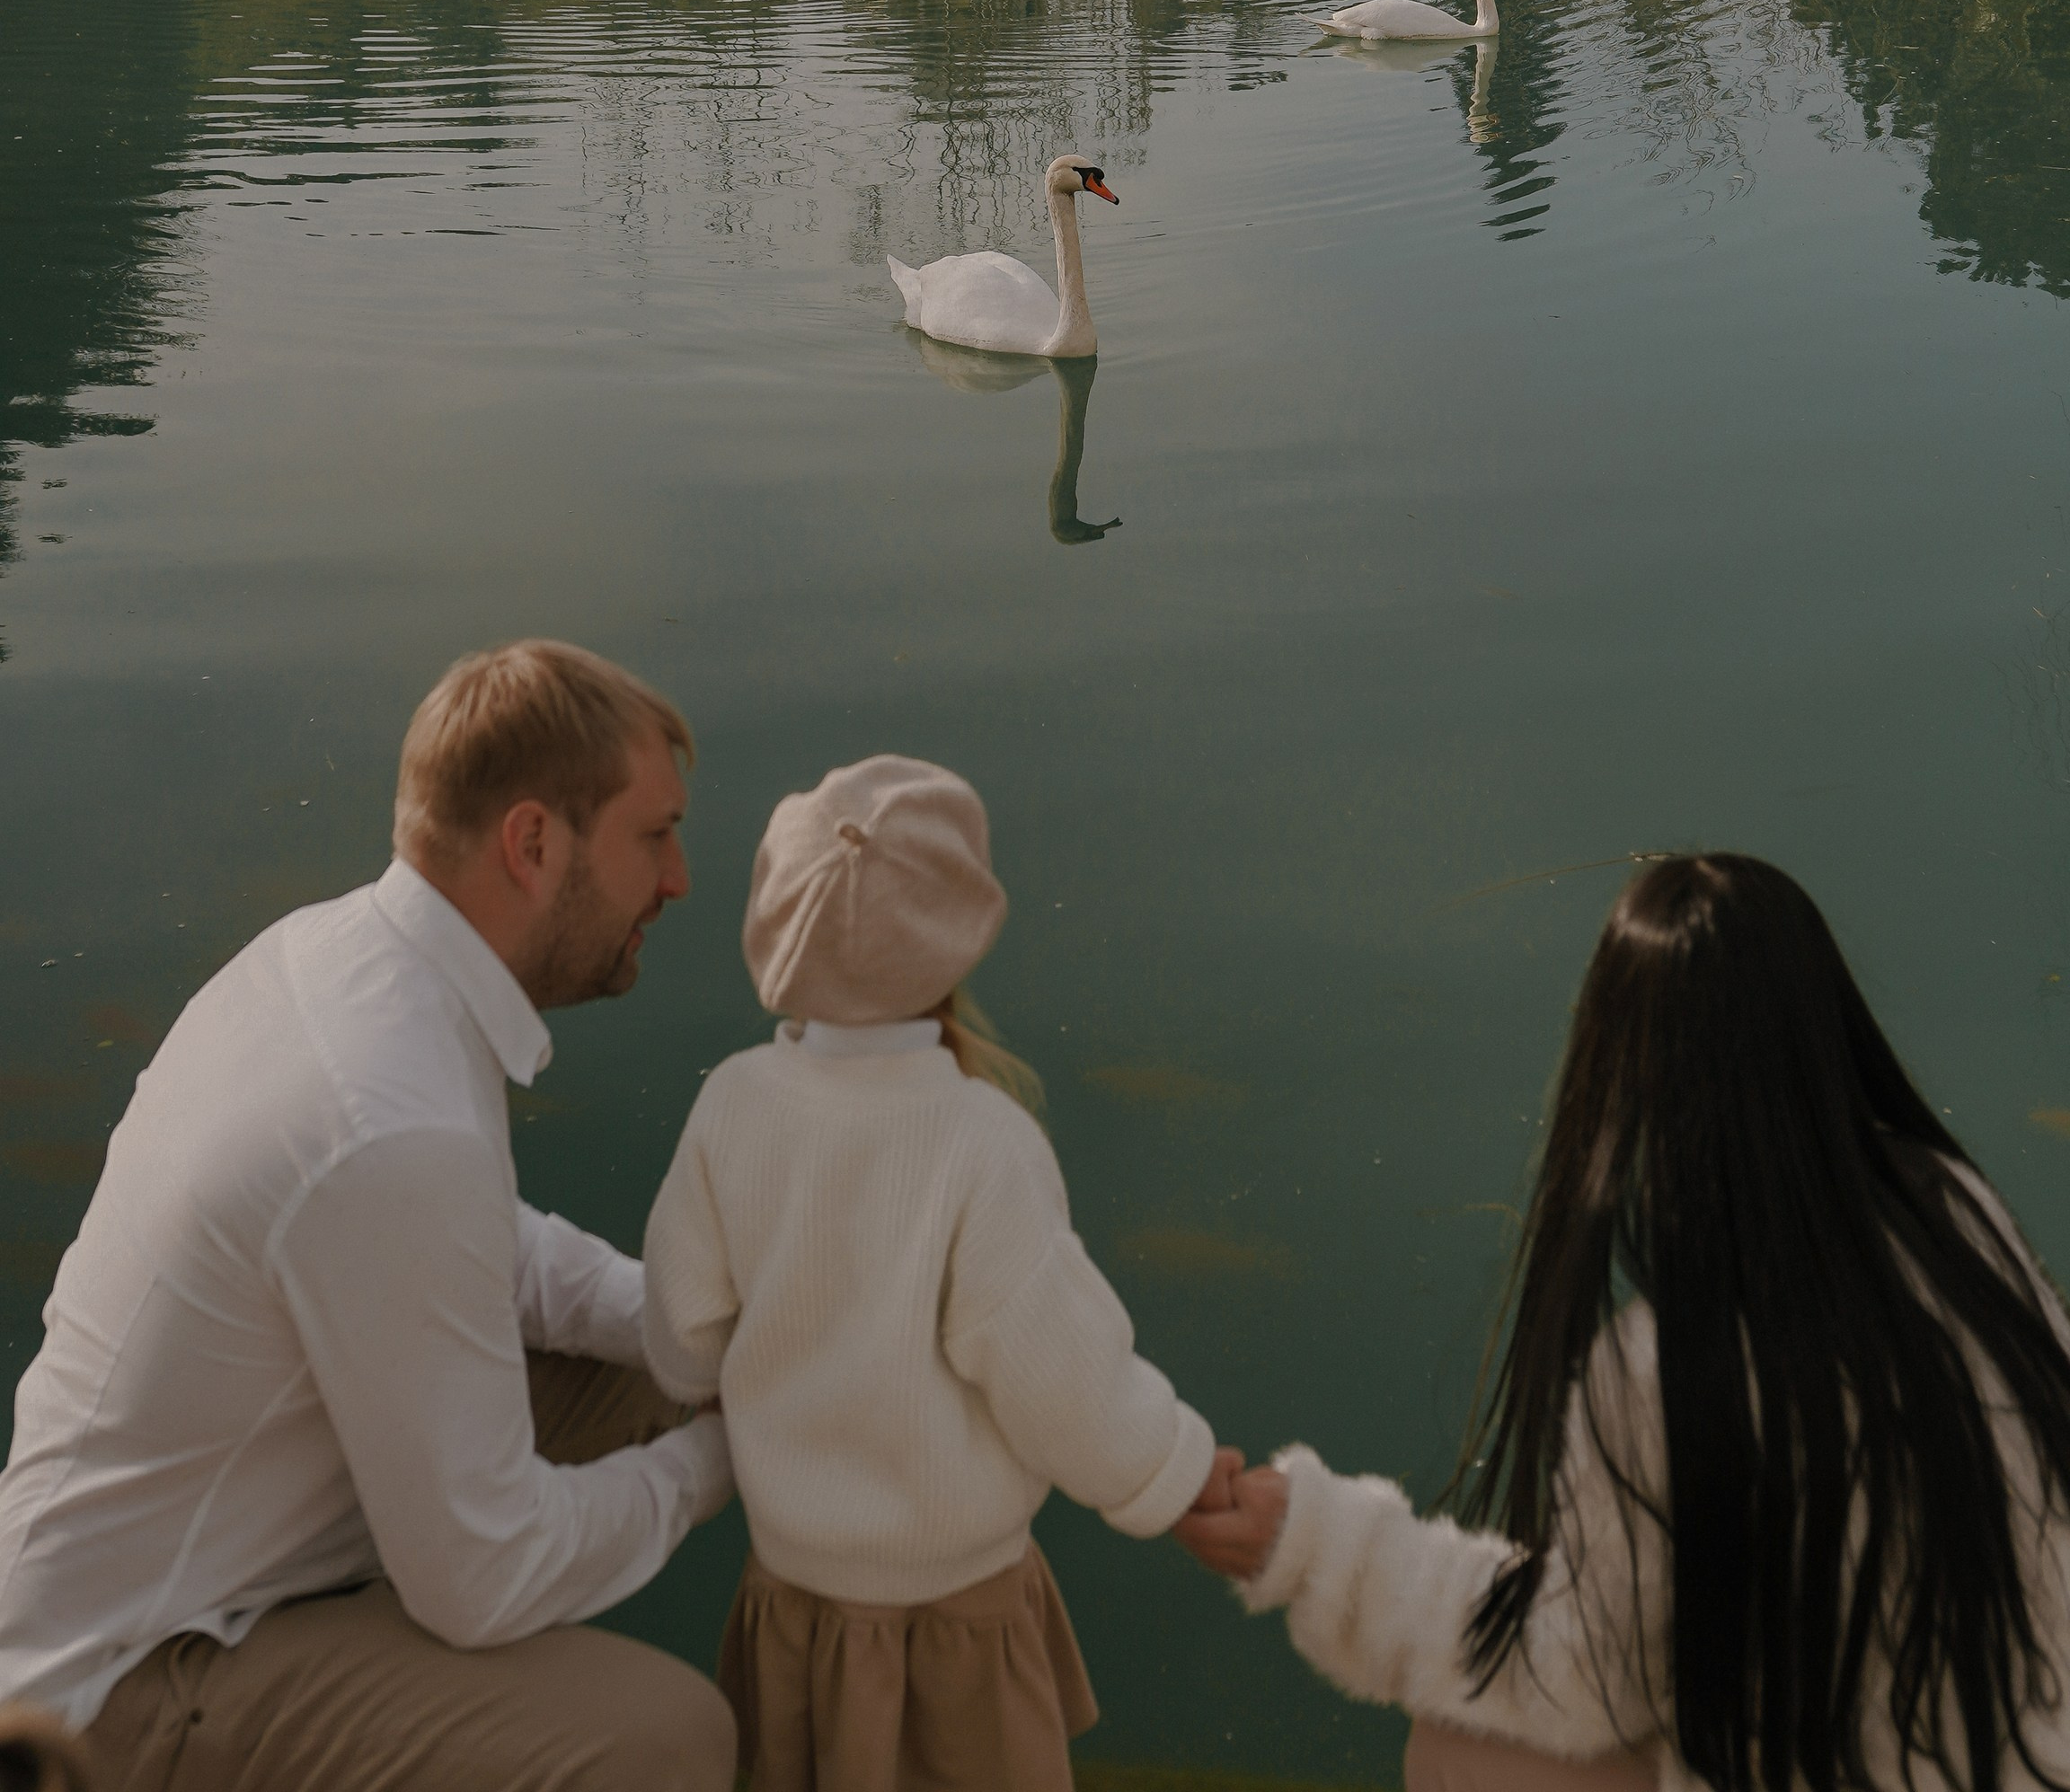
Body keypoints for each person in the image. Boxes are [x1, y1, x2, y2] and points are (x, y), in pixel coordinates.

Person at [0, 640, 739, 1792]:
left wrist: (700, 1326)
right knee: (662, 1738)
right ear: (534, 843)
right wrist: (719, 1462)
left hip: (159, 1572)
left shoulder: (341, 962)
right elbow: (482, 1579)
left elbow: (482, 1237)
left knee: (683, 1361)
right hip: (119, 1687)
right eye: (654, 835)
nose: (682, 876)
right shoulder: (388, 1117)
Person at [1179, 852, 2070, 1792]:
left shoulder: (1670, 1363)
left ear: (1624, 1069)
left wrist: (1317, 1543)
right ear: (1828, 1025)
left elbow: (1577, 1681)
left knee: (1455, 1754)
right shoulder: (1958, 1215)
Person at [643, 752, 1227, 1792]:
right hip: (958, 1622)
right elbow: (1066, 1381)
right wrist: (1177, 1476)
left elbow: (682, 1342)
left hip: (788, 1607)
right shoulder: (982, 1141)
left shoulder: (731, 1104)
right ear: (957, 934)